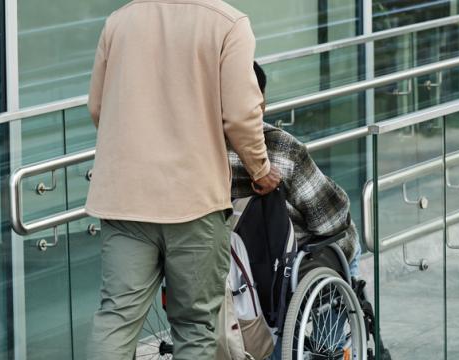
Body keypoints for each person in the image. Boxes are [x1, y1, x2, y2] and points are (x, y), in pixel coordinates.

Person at [84, 1, 280, 359]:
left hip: (126, 198)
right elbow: (240, 115)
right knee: (193, 326)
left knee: (116, 318)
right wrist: (260, 169)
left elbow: (98, 107)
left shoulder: (120, 22)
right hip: (195, 200)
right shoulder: (228, 23)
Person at [229, 62, 362, 278]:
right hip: (282, 269)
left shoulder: (199, 149)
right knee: (349, 240)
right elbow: (330, 220)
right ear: (260, 101)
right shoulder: (280, 147)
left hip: (224, 265)